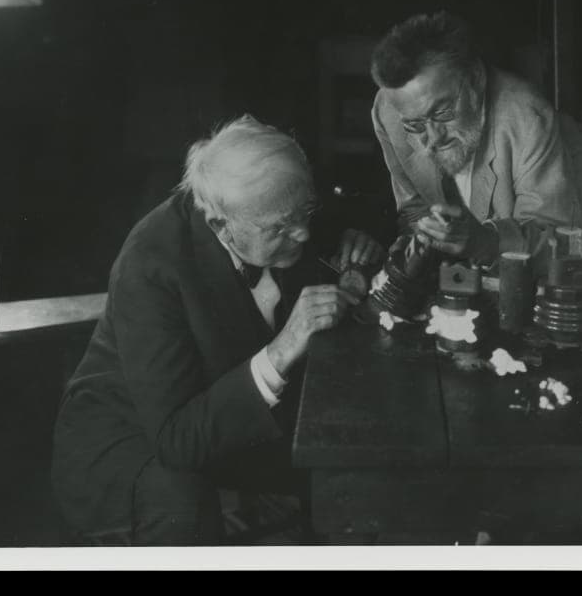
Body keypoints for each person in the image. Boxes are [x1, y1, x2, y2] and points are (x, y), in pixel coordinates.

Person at [51, 115, 383, 545]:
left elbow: (330, 220)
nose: (302, 233)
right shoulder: (150, 265)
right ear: (220, 226)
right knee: (184, 506)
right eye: (281, 228)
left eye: (307, 211)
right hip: (132, 437)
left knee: (353, 472)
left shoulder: (271, 205)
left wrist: (357, 240)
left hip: (223, 414)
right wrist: (282, 349)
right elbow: (175, 439)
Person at [369, 11, 582, 278]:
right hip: (526, 260)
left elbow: (557, 240)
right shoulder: (389, 111)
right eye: (415, 125)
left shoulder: (526, 115)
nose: (433, 137)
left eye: (442, 112)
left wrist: (483, 243)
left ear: (475, 78)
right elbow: (415, 210)